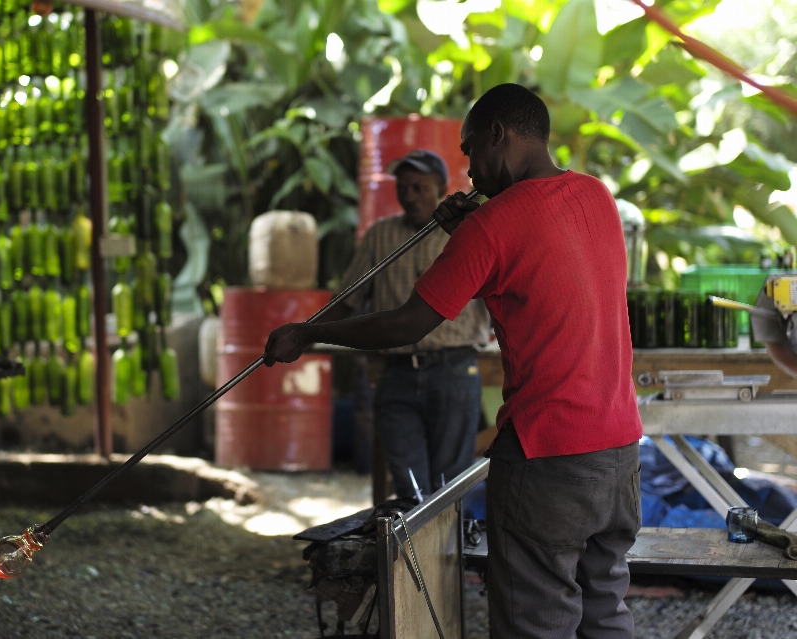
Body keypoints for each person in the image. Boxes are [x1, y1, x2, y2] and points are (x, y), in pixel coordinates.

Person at [263, 83, 643, 639]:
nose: (468, 171)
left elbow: (405, 323)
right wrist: (473, 229)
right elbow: (540, 248)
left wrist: (309, 333)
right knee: (604, 612)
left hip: (547, 454)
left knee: (537, 621)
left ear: (499, 135)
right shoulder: (596, 196)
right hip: (619, 452)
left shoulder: (491, 226)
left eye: (469, 151)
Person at [320, 149, 490, 500]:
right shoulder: (380, 236)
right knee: (409, 488)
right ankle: (412, 554)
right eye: (404, 188)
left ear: (442, 188)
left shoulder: (467, 232)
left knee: (448, 489)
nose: (410, 196)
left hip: (453, 369)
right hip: (396, 373)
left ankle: (444, 555)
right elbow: (347, 300)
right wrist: (306, 332)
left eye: (419, 187)